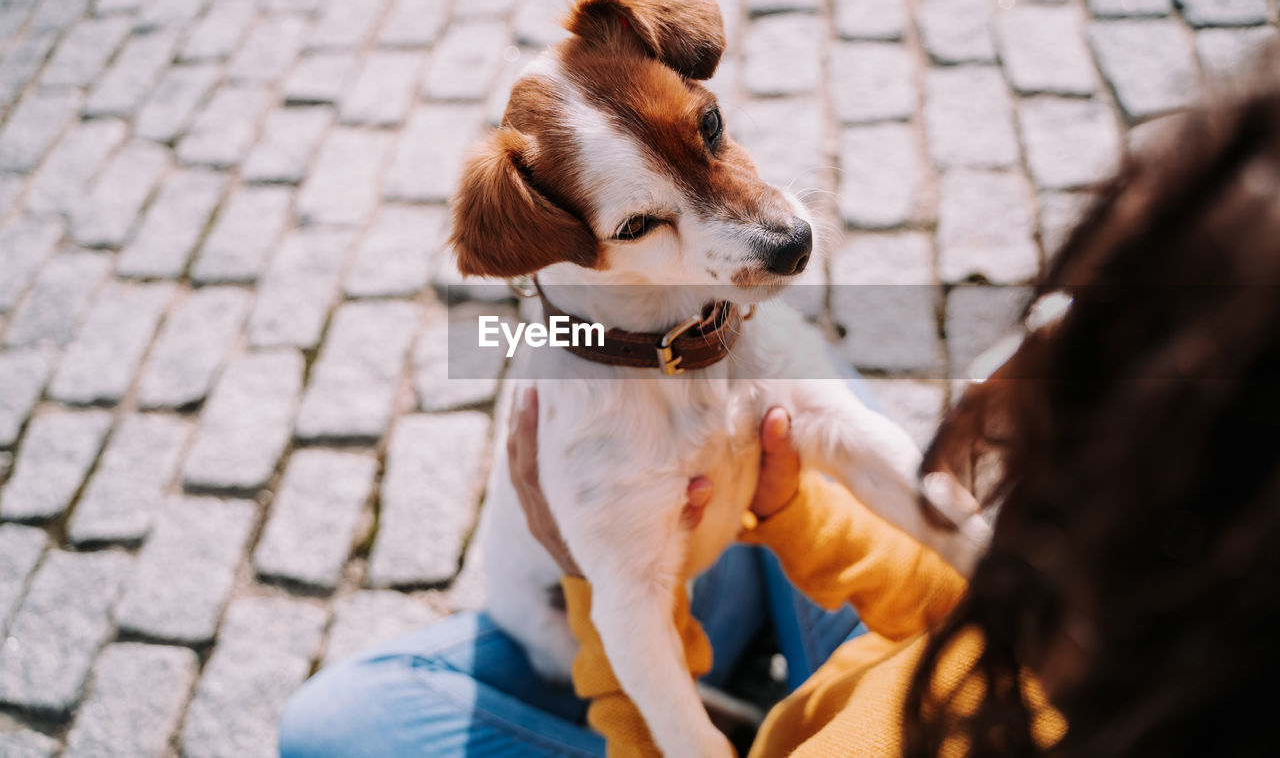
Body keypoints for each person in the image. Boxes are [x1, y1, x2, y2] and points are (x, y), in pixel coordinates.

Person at [281, 68, 1280, 757]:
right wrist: (789, 507)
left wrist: (592, 581)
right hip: (905, 640)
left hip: (771, 700)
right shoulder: (1072, 640)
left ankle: (722, 691)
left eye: (1071, 375)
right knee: (795, 380)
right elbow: (939, 614)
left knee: (334, 725)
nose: (984, 387)